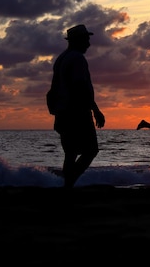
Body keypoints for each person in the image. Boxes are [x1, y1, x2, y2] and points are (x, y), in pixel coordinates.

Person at [49, 24, 105, 188]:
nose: (88, 43)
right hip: (77, 113)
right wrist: (96, 110)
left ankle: (67, 187)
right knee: (91, 150)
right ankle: (69, 183)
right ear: (78, 40)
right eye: (86, 39)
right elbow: (80, 87)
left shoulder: (62, 58)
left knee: (70, 153)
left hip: (62, 113)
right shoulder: (77, 58)